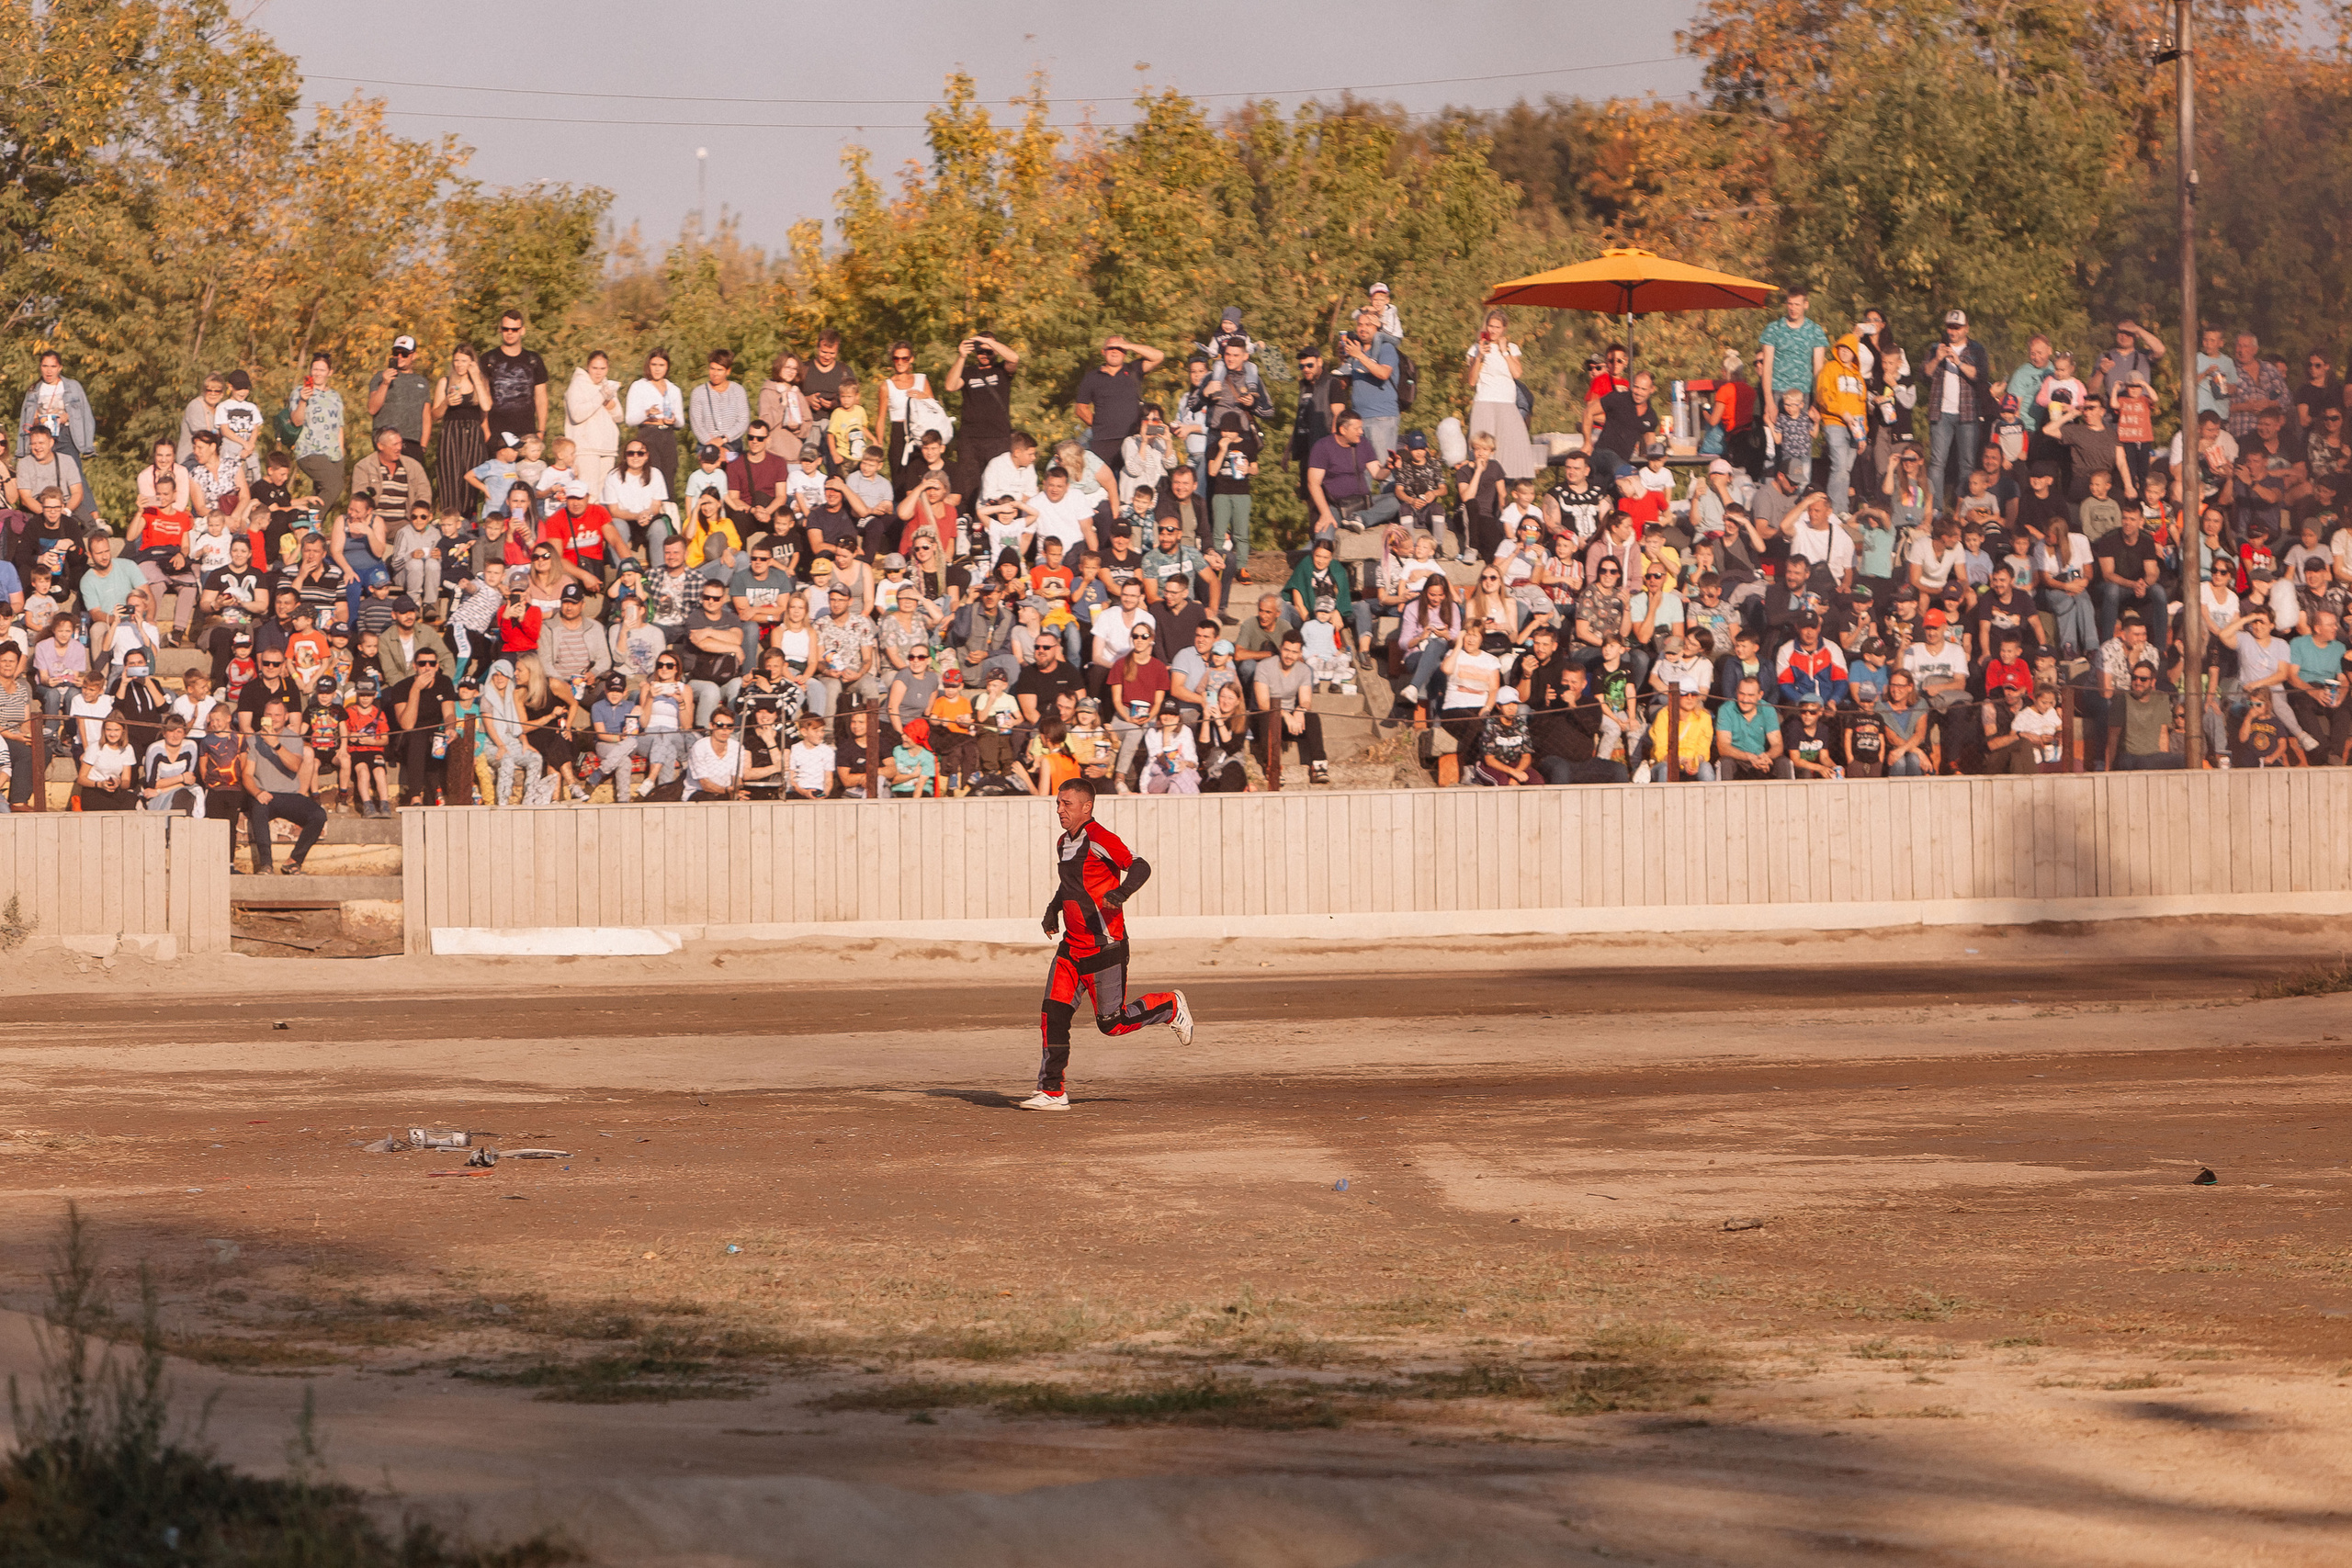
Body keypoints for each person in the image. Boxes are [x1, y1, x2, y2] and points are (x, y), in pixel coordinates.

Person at [1024, 776, 1193, 1111]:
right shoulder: (1063, 842)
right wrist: (1051, 911)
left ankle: (1170, 1006)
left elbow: (1140, 865)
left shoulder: (1100, 837)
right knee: (1053, 1015)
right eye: (1058, 803)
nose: (1059, 809)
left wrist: (1122, 893)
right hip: (1072, 949)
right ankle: (1052, 1092)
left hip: (1106, 947)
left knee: (1111, 1024)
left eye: (1066, 804)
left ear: (1086, 807)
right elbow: (1069, 887)